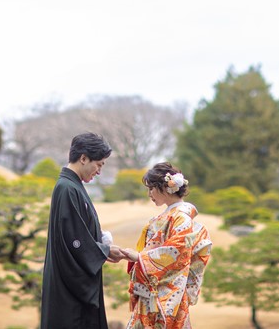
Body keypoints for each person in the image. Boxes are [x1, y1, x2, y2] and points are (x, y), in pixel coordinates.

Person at [40, 132, 126, 329]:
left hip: (70, 284)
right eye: (99, 164)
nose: (99, 171)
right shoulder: (67, 188)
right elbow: (73, 241)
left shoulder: (73, 186)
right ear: (84, 158)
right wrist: (104, 251)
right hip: (69, 290)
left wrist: (102, 243)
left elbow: (80, 232)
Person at [122, 162, 212, 329]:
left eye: (151, 188)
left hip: (167, 293)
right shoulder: (170, 215)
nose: (149, 194)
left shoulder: (181, 217)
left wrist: (140, 257)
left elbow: (178, 252)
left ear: (165, 187)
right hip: (154, 289)